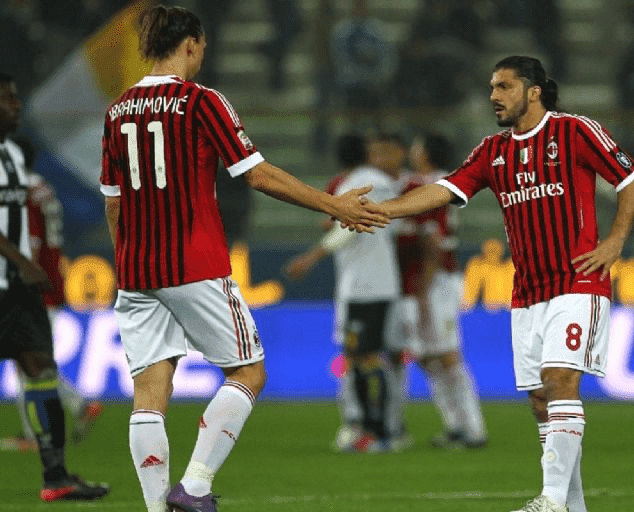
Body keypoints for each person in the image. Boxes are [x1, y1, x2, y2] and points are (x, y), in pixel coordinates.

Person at [99, 6, 387, 512]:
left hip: (136, 269)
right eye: (202, 47)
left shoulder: (118, 110)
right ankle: (195, 486)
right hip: (194, 262)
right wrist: (333, 204)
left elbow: (114, 202)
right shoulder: (201, 101)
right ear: (190, 44)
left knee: (149, 393)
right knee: (249, 373)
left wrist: (128, 261)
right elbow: (256, 174)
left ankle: (156, 508)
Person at [371, 56, 634, 512]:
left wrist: (616, 240)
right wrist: (385, 210)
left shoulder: (574, 131)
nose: (494, 96)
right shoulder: (492, 151)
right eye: (492, 88)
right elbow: (446, 189)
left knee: (560, 380)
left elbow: (631, 178)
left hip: (578, 281)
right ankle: (572, 506)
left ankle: (551, 501)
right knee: (540, 400)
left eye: (504, 86)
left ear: (533, 91)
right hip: (528, 292)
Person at [0, 73, 110, 501]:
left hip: (20, 288)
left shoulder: (12, 155)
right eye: (7, 99)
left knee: (40, 369)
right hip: (13, 279)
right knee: (37, 368)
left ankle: (56, 476)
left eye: (15, 97)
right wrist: (23, 261)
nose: (15, 105)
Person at [283, 132, 406, 452]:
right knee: (361, 357)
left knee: (367, 357)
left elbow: (346, 231)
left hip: (368, 285)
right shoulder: (377, 181)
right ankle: (374, 428)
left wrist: (310, 257)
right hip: (368, 283)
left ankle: (381, 431)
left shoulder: (360, 183)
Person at [7, 140, 104, 452]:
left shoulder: (22, 191)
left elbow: (31, 241)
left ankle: (34, 434)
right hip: (52, 279)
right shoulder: (42, 187)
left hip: (34, 285)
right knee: (32, 357)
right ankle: (79, 405)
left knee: (27, 360)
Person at [398, 132, 487, 449]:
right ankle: (455, 426)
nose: (412, 150)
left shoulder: (433, 185)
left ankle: (473, 429)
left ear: (426, 152)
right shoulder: (426, 182)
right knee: (426, 356)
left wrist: (423, 290)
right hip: (422, 282)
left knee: (447, 355)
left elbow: (434, 243)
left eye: (417, 145)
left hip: (437, 281)